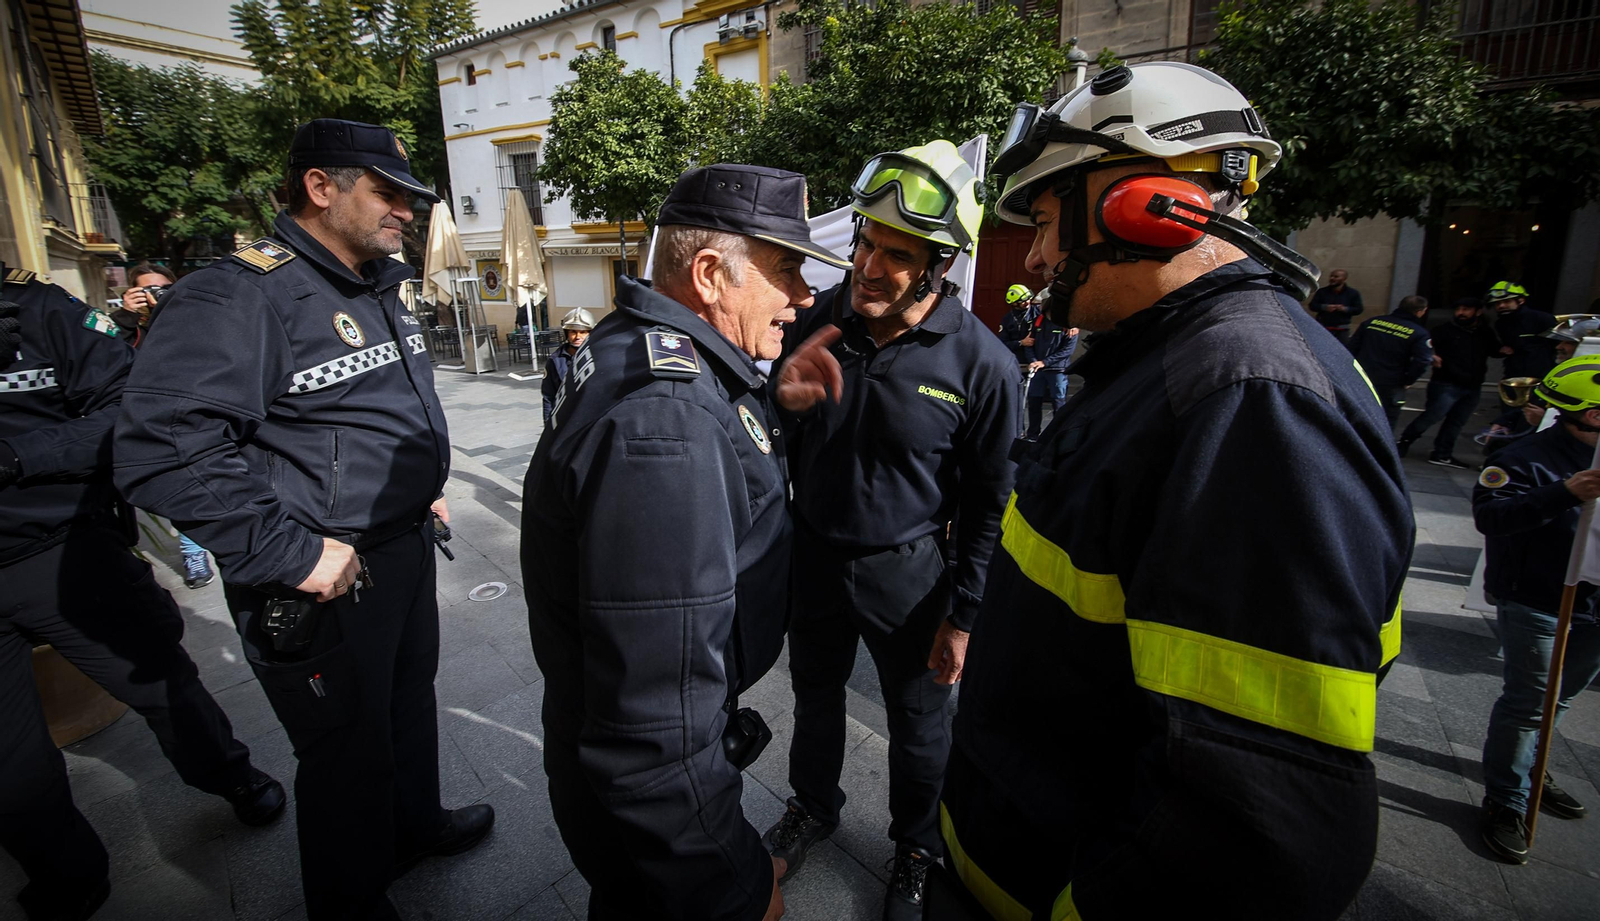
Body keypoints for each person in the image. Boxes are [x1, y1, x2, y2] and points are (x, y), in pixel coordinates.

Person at [937, 63, 1412, 920]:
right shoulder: (1177, 363)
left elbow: (1255, 830)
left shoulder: (1250, 405)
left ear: (1146, 206)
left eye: (1044, 223)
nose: (1037, 257)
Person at [114, 119, 489, 921]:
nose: (407, 212)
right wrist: (287, 549)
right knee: (345, 750)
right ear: (321, 187)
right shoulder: (241, 292)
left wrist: (415, 480)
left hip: (399, 545)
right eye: (386, 193)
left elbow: (356, 412)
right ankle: (351, 901)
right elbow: (161, 447)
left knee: (404, 702)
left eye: (410, 198)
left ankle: (413, 826)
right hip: (318, 576)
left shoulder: (373, 277)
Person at [520, 163, 849, 921]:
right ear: (709, 274)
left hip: (624, 806)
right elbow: (655, 722)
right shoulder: (664, 424)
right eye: (786, 268)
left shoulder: (649, 348)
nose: (802, 295)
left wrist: (772, 405)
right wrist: (729, 880)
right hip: (655, 830)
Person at [762, 140, 1019, 921]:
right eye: (865, 243)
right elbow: (761, 434)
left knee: (918, 726)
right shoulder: (815, 319)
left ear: (939, 264)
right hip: (813, 556)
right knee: (813, 697)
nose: (868, 266)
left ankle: (915, 847)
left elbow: (988, 502)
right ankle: (814, 804)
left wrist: (965, 614)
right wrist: (782, 402)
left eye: (895, 254)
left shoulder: (984, 365)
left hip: (910, 575)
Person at [1, 262, 285, 921]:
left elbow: (127, 410)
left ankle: (231, 775)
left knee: (162, 683)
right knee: (8, 758)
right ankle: (64, 872)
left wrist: (18, 457)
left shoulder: (44, 311)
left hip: (61, 550)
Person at [1473, 354, 1600, 865]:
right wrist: (1562, 493)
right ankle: (1507, 800)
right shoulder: (1522, 456)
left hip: (1596, 606)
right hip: (1539, 601)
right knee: (1529, 702)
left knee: (1560, 699)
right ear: (1592, 414)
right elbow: (1492, 517)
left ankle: (1532, 766)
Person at [1397, 296, 1498, 466]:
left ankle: (1442, 453)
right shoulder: (1444, 330)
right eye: (1458, 310)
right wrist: (1431, 355)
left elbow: (1495, 350)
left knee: (1456, 422)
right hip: (1446, 383)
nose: (1461, 313)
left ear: (1478, 312)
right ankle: (1404, 442)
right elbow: (1421, 344)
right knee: (1431, 416)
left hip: (1472, 386)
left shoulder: (1484, 332)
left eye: (1466, 310)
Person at [1349, 295, 1434, 427]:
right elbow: (1423, 361)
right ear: (1420, 311)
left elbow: (1351, 348)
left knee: (1354, 414)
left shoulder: (1372, 322)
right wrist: (1407, 380)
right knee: (1385, 422)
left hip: (1361, 377)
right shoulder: (1419, 333)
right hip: (1391, 383)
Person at [1020, 300, 1078, 439]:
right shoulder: (1038, 322)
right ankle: (1032, 434)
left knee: (1058, 404)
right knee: (1034, 403)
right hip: (1038, 369)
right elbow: (1030, 343)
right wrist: (1034, 361)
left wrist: (1044, 362)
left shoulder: (1069, 326)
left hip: (1057, 370)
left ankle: (1057, 434)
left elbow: (1067, 350)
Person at [1490, 281, 1558, 381]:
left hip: (1541, 375)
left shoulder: (1542, 318)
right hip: (1513, 374)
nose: (1501, 306)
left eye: (1507, 301)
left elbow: (1557, 346)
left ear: (1521, 300)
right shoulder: (1501, 324)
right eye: (1497, 303)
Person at [540, 307, 595, 428]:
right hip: (566, 420)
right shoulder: (555, 360)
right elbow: (548, 396)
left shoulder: (598, 356)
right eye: (573, 332)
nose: (577, 336)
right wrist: (548, 426)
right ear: (567, 333)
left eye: (583, 332)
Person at [111, 261, 174, 347]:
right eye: (151, 289)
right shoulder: (124, 322)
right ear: (134, 292)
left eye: (166, 288)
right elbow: (111, 349)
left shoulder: (186, 313)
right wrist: (127, 315)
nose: (160, 292)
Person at [1309, 267, 1363, 344]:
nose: (1332, 278)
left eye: (1336, 277)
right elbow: (1312, 306)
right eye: (1331, 276)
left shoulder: (1353, 293)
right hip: (1323, 327)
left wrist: (1345, 309)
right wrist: (1325, 307)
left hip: (1342, 330)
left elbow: (1359, 309)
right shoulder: (1322, 292)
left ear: (1344, 278)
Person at [996, 283, 1035, 364]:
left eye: (1028, 299)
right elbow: (1003, 343)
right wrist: (1021, 343)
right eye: (1023, 301)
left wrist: (1068, 326)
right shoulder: (1007, 319)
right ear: (1014, 303)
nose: (1027, 302)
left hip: (1035, 360)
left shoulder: (1038, 313)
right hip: (1015, 361)